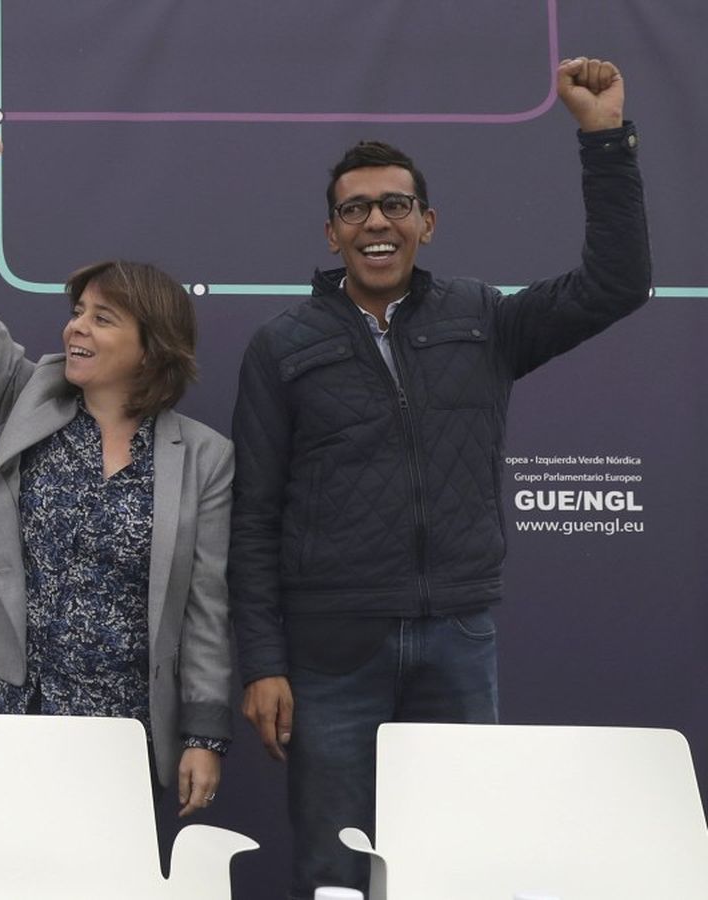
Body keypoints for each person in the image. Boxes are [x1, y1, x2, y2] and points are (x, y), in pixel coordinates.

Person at [228, 57, 649, 899]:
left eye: (394, 205)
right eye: (355, 209)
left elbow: (616, 284)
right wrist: (264, 663)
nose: (375, 222)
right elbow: (254, 517)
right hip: (329, 651)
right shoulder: (283, 347)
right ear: (331, 233)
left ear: (427, 221)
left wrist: (604, 138)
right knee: (335, 870)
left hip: (458, 637)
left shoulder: (484, 317)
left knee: (459, 860)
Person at [0, 128, 235, 816]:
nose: (76, 330)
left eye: (103, 318)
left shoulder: (205, 456)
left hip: (120, 722)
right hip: (3, 699)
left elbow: (207, 605)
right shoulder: (28, 392)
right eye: (76, 314)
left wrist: (205, 733)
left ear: (154, 348)